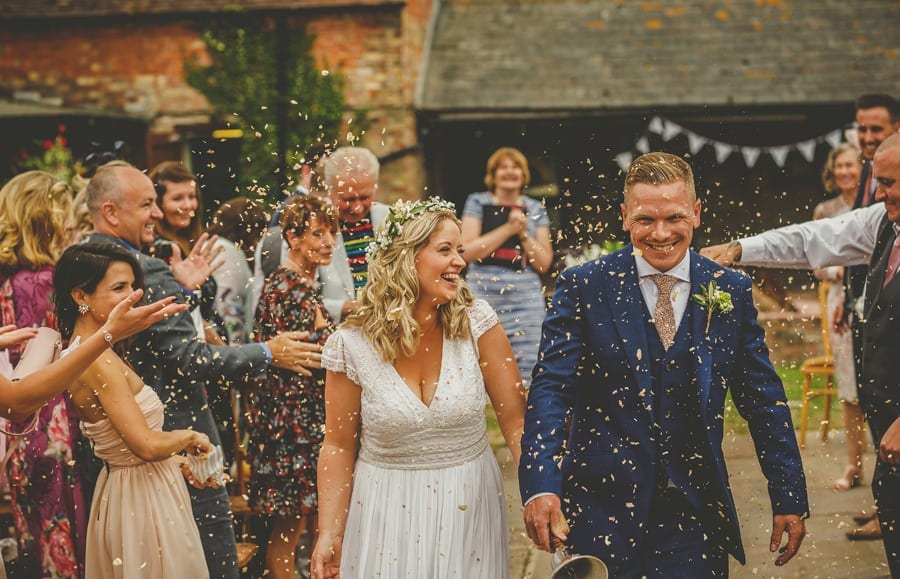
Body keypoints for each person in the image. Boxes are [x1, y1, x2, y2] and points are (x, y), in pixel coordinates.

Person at [521, 152, 809, 578]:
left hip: (695, 515)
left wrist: (788, 494)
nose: (660, 234)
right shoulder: (583, 286)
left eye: (674, 217)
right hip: (600, 510)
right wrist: (540, 485)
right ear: (624, 216)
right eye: (645, 219)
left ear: (696, 213)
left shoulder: (730, 289)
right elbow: (551, 390)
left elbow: (763, 400)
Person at [84, 162, 322, 579]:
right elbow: (189, 358)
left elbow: (152, 342)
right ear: (110, 212)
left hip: (117, 452)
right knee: (214, 561)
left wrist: (183, 292)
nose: (157, 213)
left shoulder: (85, 258)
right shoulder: (141, 268)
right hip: (177, 437)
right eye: (146, 204)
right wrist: (268, 352)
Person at [701, 134, 900, 576]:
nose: (879, 193)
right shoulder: (885, 221)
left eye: (888, 183)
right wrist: (741, 249)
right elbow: (816, 239)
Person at [311, 198, 526, 578]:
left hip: (469, 507)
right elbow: (338, 445)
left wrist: (541, 494)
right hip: (383, 508)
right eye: (445, 250)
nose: (459, 261)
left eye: (459, 250)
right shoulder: (351, 344)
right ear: (405, 257)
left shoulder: (478, 323)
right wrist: (330, 531)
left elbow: (516, 422)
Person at [54, 243, 211, 579]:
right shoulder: (98, 360)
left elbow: (127, 445)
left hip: (134, 488)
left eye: (133, 286)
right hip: (141, 501)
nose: (132, 296)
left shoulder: (89, 351)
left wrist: (176, 462)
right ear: (80, 296)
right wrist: (190, 437)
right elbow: (146, 446)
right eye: (119, 288)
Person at [0, 170, 87, 578]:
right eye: (64, 213)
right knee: (67, 540)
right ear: (45, 219)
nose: (70, 224)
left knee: (38, 544)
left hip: (18, 427)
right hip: (54, 422)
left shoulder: (9, 280)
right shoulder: (48, 282)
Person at [249, 196, 336, 579]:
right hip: (293, 424)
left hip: (298, 418)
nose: (329, 242)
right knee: (289, 530)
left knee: (314, 524)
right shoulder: (290, 288)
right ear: (292, 237)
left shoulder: (294, 283)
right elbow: (315, 358)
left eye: (332, 233)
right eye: (318, 233)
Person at [252, 147, 389, 322]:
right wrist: (345, 308)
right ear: (329, 189)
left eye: (364, 197)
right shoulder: (306, 223)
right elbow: (292, 295)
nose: (357, 207)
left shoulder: (390, 219)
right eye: (348, 199)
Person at [461, 147, 553, 387]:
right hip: (483, 294)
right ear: (493, 175)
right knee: (479, 364)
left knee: (530, 368)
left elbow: (544, 263)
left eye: (515, 167)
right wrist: (508, 229)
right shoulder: (477, 202)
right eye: (503, 167)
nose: (509, 172)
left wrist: (523, 233)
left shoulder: (535, 208)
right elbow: (466, 252)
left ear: (523, 175)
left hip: (525, 300)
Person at [813, 144, 867, 492]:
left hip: (874, 300)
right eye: (840, 166)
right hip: (840, 303)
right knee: (849, 387)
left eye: (851, 165)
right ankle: (853, 465)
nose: (845, 171)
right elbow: (817, 264)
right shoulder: (825, 211)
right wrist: (844, 272)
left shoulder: (875, 205)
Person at [206, 197, 268, 345]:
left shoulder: (212, 245)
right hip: (223, 344)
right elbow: (228, 308)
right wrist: (236, 352)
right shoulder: (228, 252)